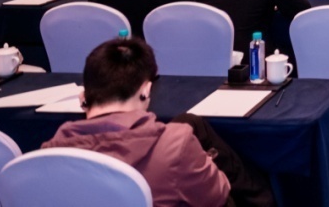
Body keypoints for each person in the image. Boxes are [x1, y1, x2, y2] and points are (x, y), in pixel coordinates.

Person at [41, 38, 244, 207]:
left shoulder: (50, 153)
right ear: (146, 90)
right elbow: (217, 195)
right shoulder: (176, 144)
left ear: (83, 96)